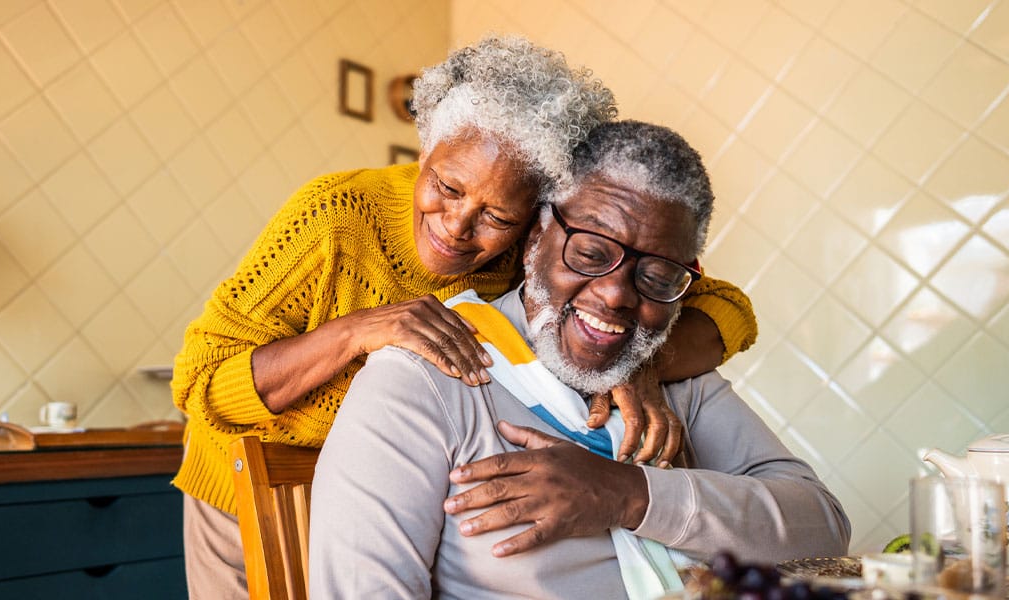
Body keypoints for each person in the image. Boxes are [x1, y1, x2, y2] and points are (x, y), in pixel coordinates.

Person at [171, 38, 759, 597]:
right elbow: (200, 383)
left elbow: (725, 308)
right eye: (447, 187)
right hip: (246, 491)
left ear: (537, 224)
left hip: (391, 491)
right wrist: (357, 331)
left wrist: (635, 363)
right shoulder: (333, 217)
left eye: (497, 217)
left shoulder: (533, 254)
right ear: (424, 151)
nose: (456, 226)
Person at [308, 120, 850, 599]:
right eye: (590, 253)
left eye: (658, 275)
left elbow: (822, 526)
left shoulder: (666, 377)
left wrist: (628, 494)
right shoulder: (420, 382)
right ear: (535, 239)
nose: (616, 295)